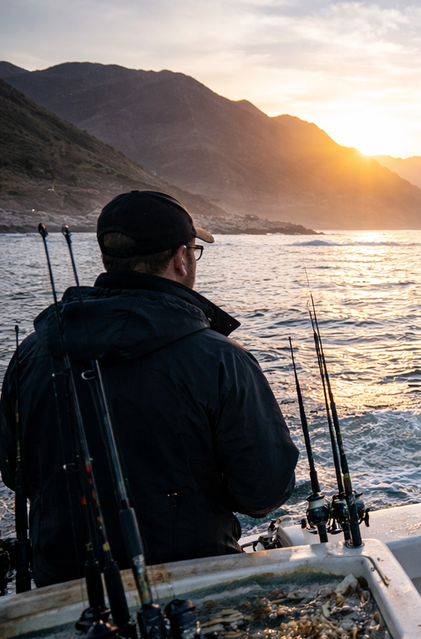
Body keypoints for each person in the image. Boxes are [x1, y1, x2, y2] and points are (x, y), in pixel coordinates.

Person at [0, 190, 299, 587]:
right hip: (194, 587)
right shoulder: (222, 359)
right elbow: (263, 493)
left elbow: (12, 470)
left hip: (61, 591)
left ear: (109, 257)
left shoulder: (31, 353)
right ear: (181, 258)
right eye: (194, 250)